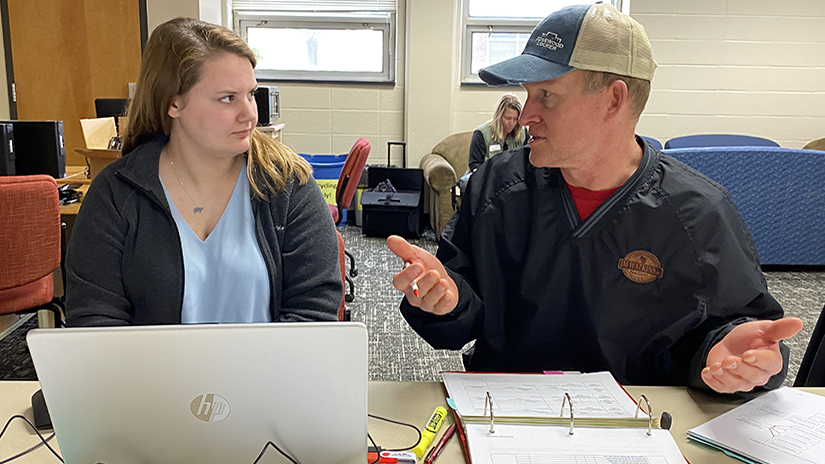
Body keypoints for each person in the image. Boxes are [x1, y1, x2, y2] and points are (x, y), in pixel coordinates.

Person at [388, 3, 802, 394]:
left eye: (547, 95)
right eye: (528, 94)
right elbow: (464, 313)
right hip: (505, 418)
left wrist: (736, 355)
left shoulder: (697, 213)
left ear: (614, 100)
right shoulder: (497, 187)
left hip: (641, 424)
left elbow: (745, 332)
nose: (527, 113)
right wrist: (445, 300)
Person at [65, 18, 341, 326]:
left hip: (266, 373)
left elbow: (315, 311)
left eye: (251, 94)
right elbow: (95, 320)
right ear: (174, 103)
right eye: (227, 98)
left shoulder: (287, 185)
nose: (250, 113)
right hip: (148, 375)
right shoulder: (115, 194)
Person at [468, 94, 528, 172]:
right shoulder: (481, 134)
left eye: (515, 119)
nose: (512, 123)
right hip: (486, 178)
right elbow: (475, 164)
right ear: (499, 117)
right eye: (508, 118)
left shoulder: (523, 133)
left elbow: (527, 162)